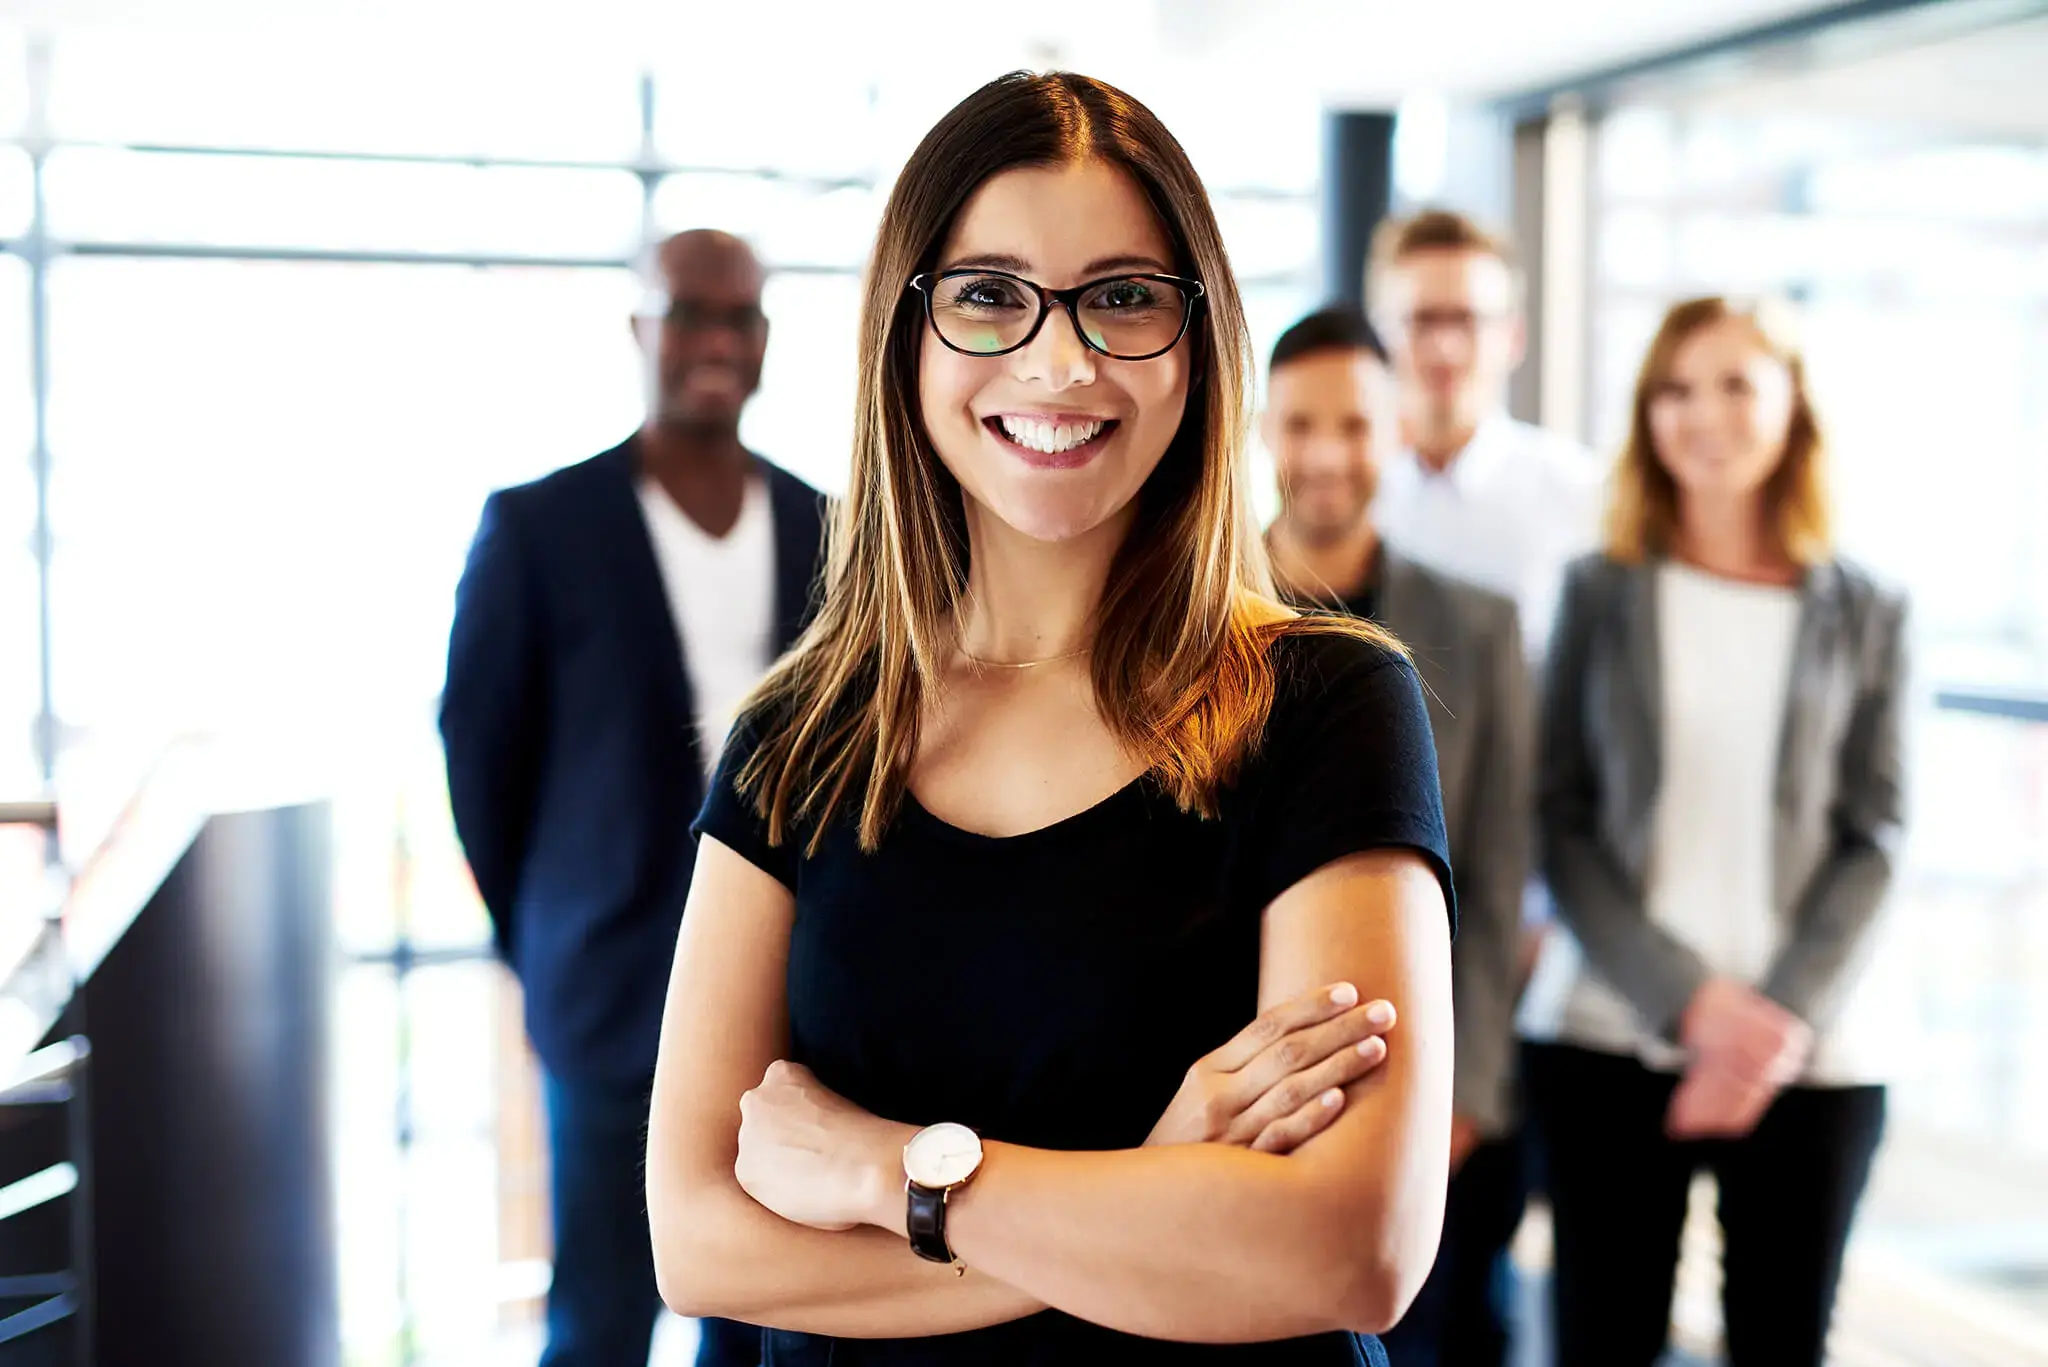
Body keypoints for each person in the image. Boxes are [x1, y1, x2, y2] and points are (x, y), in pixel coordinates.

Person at [644, 71, 1459, 1367]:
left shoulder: (1327, 702)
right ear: (904, 334)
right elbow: (700, 1242)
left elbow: (1350, 1246)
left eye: (1124, 295)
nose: (1061, 358)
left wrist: (891, 1172)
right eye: (989, 296)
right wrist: (1154, 1180)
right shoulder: (799, 736)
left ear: (1200, 340)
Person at [440, 230, 827, 1367]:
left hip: (790, 1010)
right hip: (607, 995)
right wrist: (543, 939)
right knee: (600, 1317)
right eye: (689, 312)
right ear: (638, 329)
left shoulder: (832, 528)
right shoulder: (538, 528)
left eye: (739, 318)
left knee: (761, 1316)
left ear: (762, 340)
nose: (716, 340)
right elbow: (479, 762)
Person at [1518, 297, 1907, 1366]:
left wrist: (1767, 1024)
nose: (1703, 414)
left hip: (1809, 1056)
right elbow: (1558, 814)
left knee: (1781, 1342)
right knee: (1601, 1340)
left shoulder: (1868, 606)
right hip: (1607, 1033)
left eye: (1735, 383)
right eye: (1674, 388)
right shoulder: (1599, 590)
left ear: (1791, 404)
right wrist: (1689, 1006)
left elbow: (1876, 831)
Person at [1261, 307, 1532, 1367]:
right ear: (1262, 431)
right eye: (1299, 424)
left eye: (1354, 424)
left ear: (1395, 429)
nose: (1325, 454)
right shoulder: (1188, 610)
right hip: (1238, 1093)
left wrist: (1463, 1095)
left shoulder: (1478, 623)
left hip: (1426, 1089)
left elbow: (1501, 870)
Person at [1367, 209, 1602, 659]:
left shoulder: (1580, 497)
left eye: (1467, 320)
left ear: (1513, 337)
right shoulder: (1352, 496)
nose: (1444, 348)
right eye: (1422, 320)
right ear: (1382, 333)